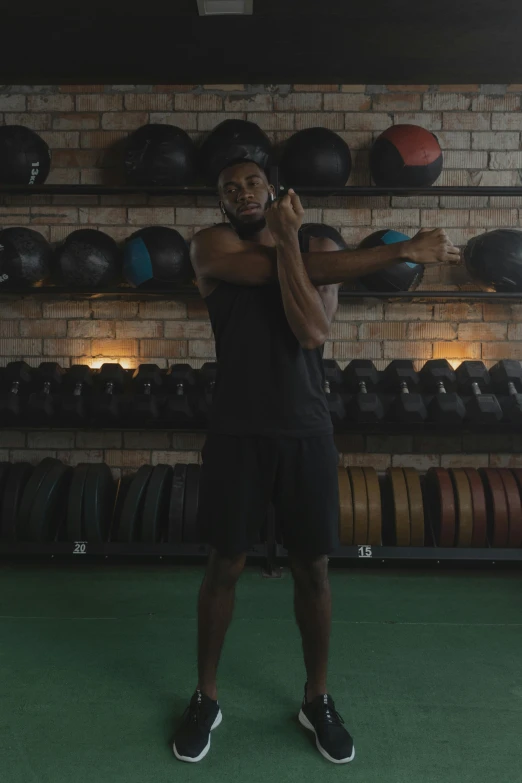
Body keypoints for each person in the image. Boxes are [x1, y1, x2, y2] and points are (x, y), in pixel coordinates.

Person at [173, 159, 460, 764]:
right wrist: (403, 249)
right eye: (229, 189)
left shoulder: (321, 244)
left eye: (251, 182)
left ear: (273, 189)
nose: (241, 192)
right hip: (236, 431)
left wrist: (290, 246)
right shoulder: (211, 245)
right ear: (221, 205)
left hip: (306, 429)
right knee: (224, 565)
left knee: (314, 568)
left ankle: (317, 697)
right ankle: (205, 695)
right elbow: (284, 271)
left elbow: (309, 330)